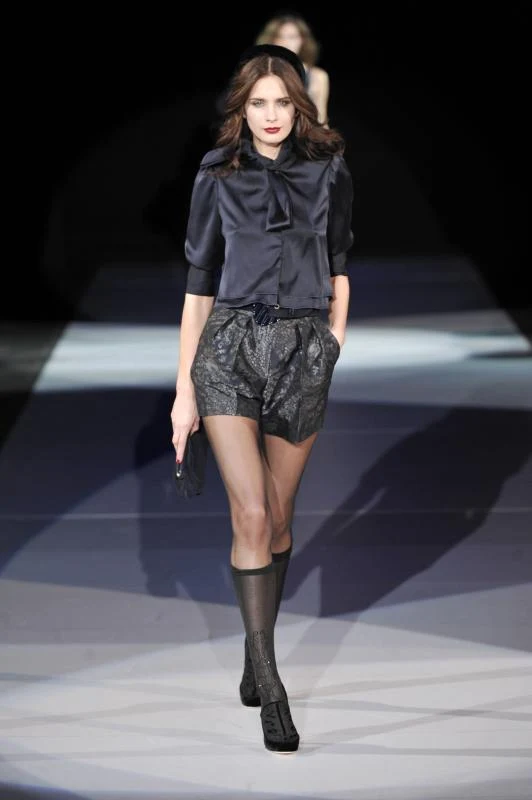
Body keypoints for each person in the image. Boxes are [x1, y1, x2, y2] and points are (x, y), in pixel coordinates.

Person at [170, 43, 354, 754]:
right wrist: (184, 391)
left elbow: (340, 265)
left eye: (282, 102)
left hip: (303, 351)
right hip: (228, 350)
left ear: (298, 106)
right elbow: (198, 286)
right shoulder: (217, 172)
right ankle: (271, 685)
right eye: (258, 103)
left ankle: (256, 647)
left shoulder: (328, 170)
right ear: (241, 109)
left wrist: (331, 344)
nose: (271, 115)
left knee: (277, 519)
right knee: (248, 512)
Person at [255, 11, 330, 125]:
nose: (285, 42)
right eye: (280, 36)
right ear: (271, 40)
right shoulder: (258, 71)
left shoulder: (317, 76)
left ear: (302, 40)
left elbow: (321, 119)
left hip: (303, 134)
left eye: (292, 37)